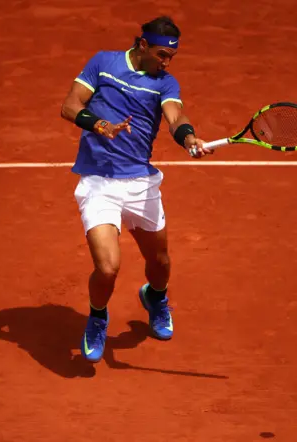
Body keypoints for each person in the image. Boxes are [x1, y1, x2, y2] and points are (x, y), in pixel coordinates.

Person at [60, 16, 213, 363]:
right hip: (98, 183)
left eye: (171, 57)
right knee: (108, 268)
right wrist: (99, 125)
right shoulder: (103, 63)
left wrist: (188, 137)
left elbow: (175, 117)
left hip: (142, 184)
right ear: (142, 45)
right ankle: (98, 317)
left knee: (159, 261)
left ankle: (155, 298)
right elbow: (70, 106)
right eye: (161, 55)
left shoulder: (165, 83)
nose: (166, 63)